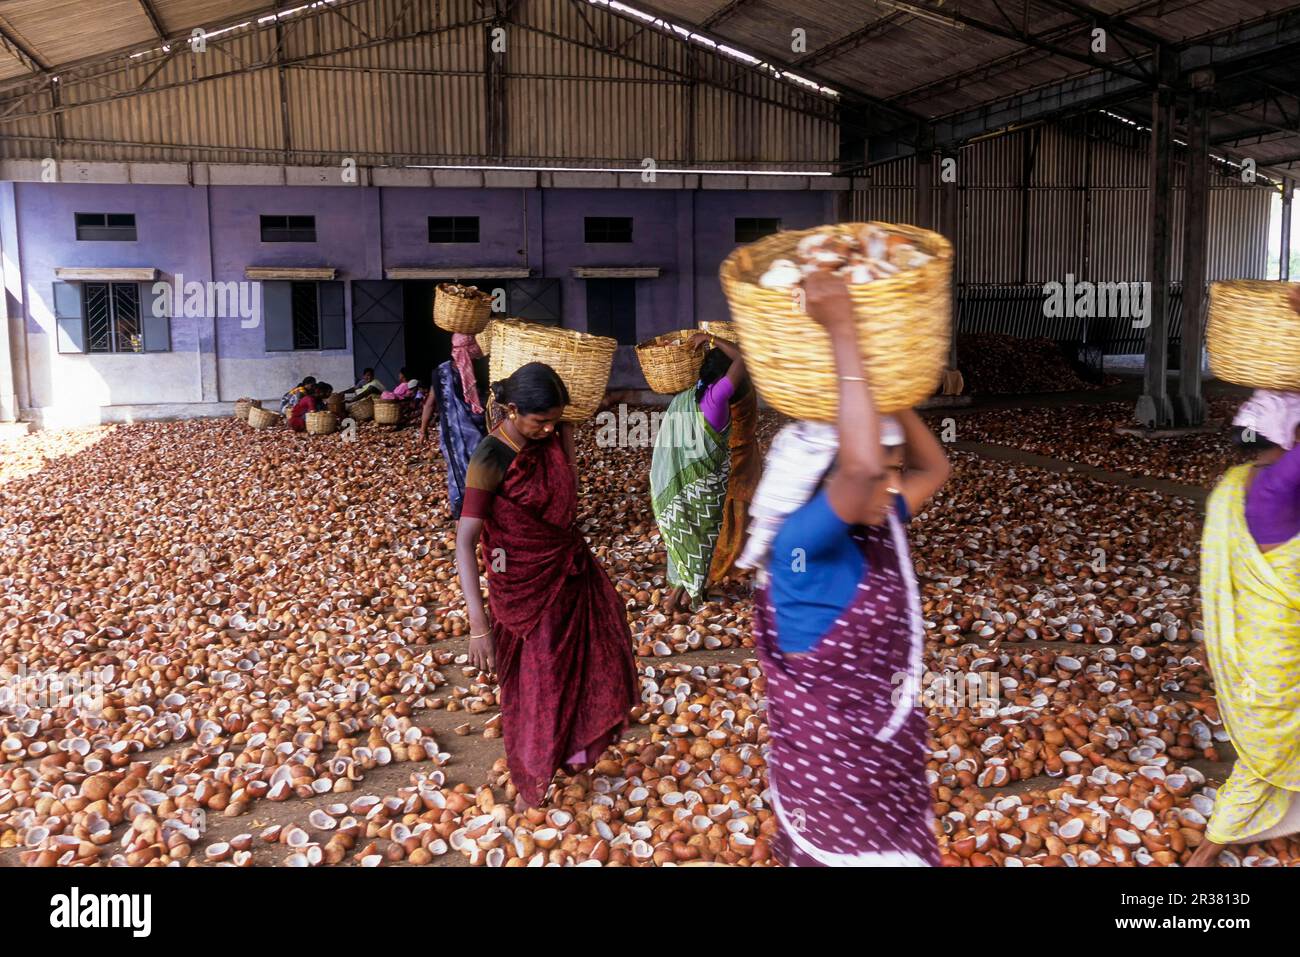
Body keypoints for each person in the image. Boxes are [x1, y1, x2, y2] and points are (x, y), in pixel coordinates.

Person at [736, 272, 950, 866]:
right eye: (882, 469)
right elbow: (859, 473)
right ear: (824, 476)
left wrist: (890, 385)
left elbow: (934, 470)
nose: (891, 482)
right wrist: (845, 333)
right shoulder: (800, 543)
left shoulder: (874, 522)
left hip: (882, 764)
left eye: (893, 468)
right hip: (841, 778)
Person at [455, 362, 637, 811]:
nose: (549, 428)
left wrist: (562, 430)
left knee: (591, 659)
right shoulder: (490, 457)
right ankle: (533, 771)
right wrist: (478, 626)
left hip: (569, 572)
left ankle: (568, 751)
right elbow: (465, 541)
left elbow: (566, 485)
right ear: (513, 410)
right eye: (540, 420)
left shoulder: (554, 436)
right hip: (522, 585)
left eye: (556, 419)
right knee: (539, 681)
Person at [1188, 387, 1300, 866]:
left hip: (1257, 639)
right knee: (1267, 756)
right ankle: (1206, 853)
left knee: (1272, 744)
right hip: (1282, 644)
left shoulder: (1237, 482)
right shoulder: (1283, 482)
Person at [649, 333, 749, 613]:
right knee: (700, 540)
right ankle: (677, 599)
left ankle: (680, 596)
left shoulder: (686, 397)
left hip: (677, 483)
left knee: (686, 538)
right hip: (704, 485)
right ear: (724, 376)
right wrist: (711, 336)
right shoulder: (717, 398)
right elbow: (744, 357)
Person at [707, 342, 761, 590]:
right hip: (749, 455)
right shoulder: (746, 387)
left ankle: (729, 564)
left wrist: (709, 336)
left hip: (731, 461)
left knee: (729, 512)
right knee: (745, 508)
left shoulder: (722, 394)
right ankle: (750, 556)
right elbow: (742, 356)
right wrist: (712, 338)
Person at [420, 334, 489, 519]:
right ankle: (469, 510)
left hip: (456, 432)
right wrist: (423, 428)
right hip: (467, 432)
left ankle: (470, 510)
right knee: (477, 467)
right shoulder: (476, 370)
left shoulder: (442, 372)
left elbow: (429, 403)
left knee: (463, 469)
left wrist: (423, 429)